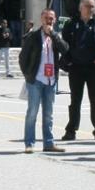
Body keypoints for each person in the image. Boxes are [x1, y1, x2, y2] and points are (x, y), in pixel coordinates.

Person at [60, 0, 95, 142]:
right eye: (88, 6)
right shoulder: (71, 23)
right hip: (76, 67)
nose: (91, 9)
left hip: (93, 67)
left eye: (93, 6)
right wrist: (68, 61)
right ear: (81, 7)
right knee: (75, 99)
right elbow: (64, 44)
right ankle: (71, 130)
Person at [19, 9, 67, 154]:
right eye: (46, 18)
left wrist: (53, 34)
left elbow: (65, 49)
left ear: (55, 20)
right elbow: (23, 58)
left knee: (48, 114)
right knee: (32, 112)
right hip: (36, 80)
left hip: (51, 81)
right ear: (41, 19)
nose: (49, 21)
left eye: (51, 18)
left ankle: (49, 143)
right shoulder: (33, 37)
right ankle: (29, 143)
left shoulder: (56, 36)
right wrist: (28, 75)